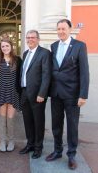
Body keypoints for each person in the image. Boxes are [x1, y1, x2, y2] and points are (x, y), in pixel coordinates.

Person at [45, 19, 89, 170]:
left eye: (63, 29)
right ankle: (57, 151)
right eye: (58, 29)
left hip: (72, 94)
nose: (61, 32)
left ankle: (71, 155)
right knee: (56, 125)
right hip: (56, 93)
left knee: (72, 126)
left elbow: (84, 72)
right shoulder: (54, 46)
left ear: (70, 29)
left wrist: (83, 95)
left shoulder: (79, 46)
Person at [19, 30, 51, 159]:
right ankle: (30, 144)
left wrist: (42, 93)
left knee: (38, 122)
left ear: (38, 39)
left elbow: (46, 75)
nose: (30, 40)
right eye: (28, 37)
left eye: (33, 37)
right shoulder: (26, 53)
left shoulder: (44, 53)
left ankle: (38, 147)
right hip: (25, 92)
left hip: (38, 94)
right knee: (27, 121)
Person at [0, 38, 22, 152]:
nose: (5, 48)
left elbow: (20, 77)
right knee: (2, 118)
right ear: (0, 48)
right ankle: (2, 141)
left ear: (11, 47)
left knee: (10, 119)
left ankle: (11, 141)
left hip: (13, 92)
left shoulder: (17, 60)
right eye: (3, 46)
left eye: (7, 46)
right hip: (1, 92)